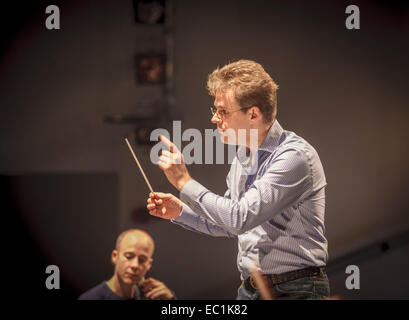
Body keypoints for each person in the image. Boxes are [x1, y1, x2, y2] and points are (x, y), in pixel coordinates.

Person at [146, 59, 330, 300]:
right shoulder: (242, 157)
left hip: (296, 288)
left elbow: (239, 218)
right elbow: (228, 224)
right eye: (215, 110)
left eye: (222, 111)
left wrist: (184, 181)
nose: (214, 119)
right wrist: (180, 212)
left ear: (253, 114)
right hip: (251, 288)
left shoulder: (294, 156)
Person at [79, 229, 175, 300]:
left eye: (142, 260)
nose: (135, 265)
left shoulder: (153, 296)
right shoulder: (91, 298)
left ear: (149, 264)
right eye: (128, 256)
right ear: (114, 256)